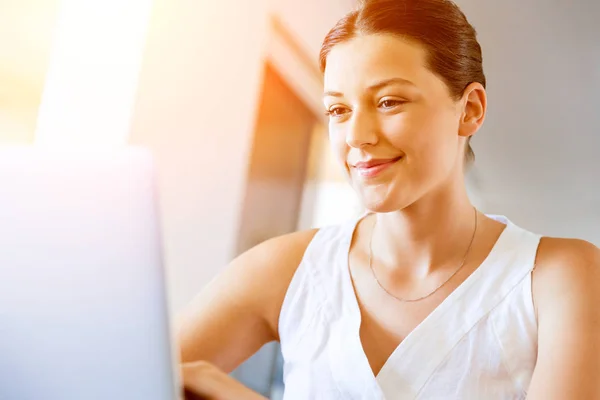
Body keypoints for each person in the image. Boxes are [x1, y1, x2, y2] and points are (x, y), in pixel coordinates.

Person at [177, 0, 600, 398]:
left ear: (469, 110)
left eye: (388, 101)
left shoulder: (559, 278)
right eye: (338, 111)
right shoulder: (286, 271)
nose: (357, 136)